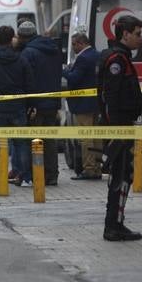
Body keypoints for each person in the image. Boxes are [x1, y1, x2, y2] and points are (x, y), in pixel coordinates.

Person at [99, 16, 142, 241]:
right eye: (137, 33)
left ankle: (116, 223)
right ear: (124, 34)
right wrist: (116, 133)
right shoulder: (117, 60)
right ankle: (113, 226)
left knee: (122, 176)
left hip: (122, 127)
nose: (140, 38)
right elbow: (110, 98)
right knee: (120, 177)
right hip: (119, 129)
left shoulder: (122, 57)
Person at [0, 25, 35, 188]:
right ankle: (26, 178)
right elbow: (29, 84)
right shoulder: (22, 60)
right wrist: (31, 105)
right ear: (12, 39)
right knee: (21, 143)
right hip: (18, 107)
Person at [18, 20, 63, 185]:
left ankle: (38, 175)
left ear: (23, 37)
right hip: (52, 102)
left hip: (36, 104)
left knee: (35, 140)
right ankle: (52, 175)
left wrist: (30, 103)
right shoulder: (54, 49)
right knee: (50, 141)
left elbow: (27, 80)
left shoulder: (28, 53)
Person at [63, 32, 103, 180]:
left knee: (86, 137)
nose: (73, 48)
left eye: (74, 44)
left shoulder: (83, 58)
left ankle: (89, 168)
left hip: (83, 104)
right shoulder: (97, 55)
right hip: (95, 102)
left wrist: (65, 71)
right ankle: (97, 167)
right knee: (96, 137)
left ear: (80, 43)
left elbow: (74, 79)